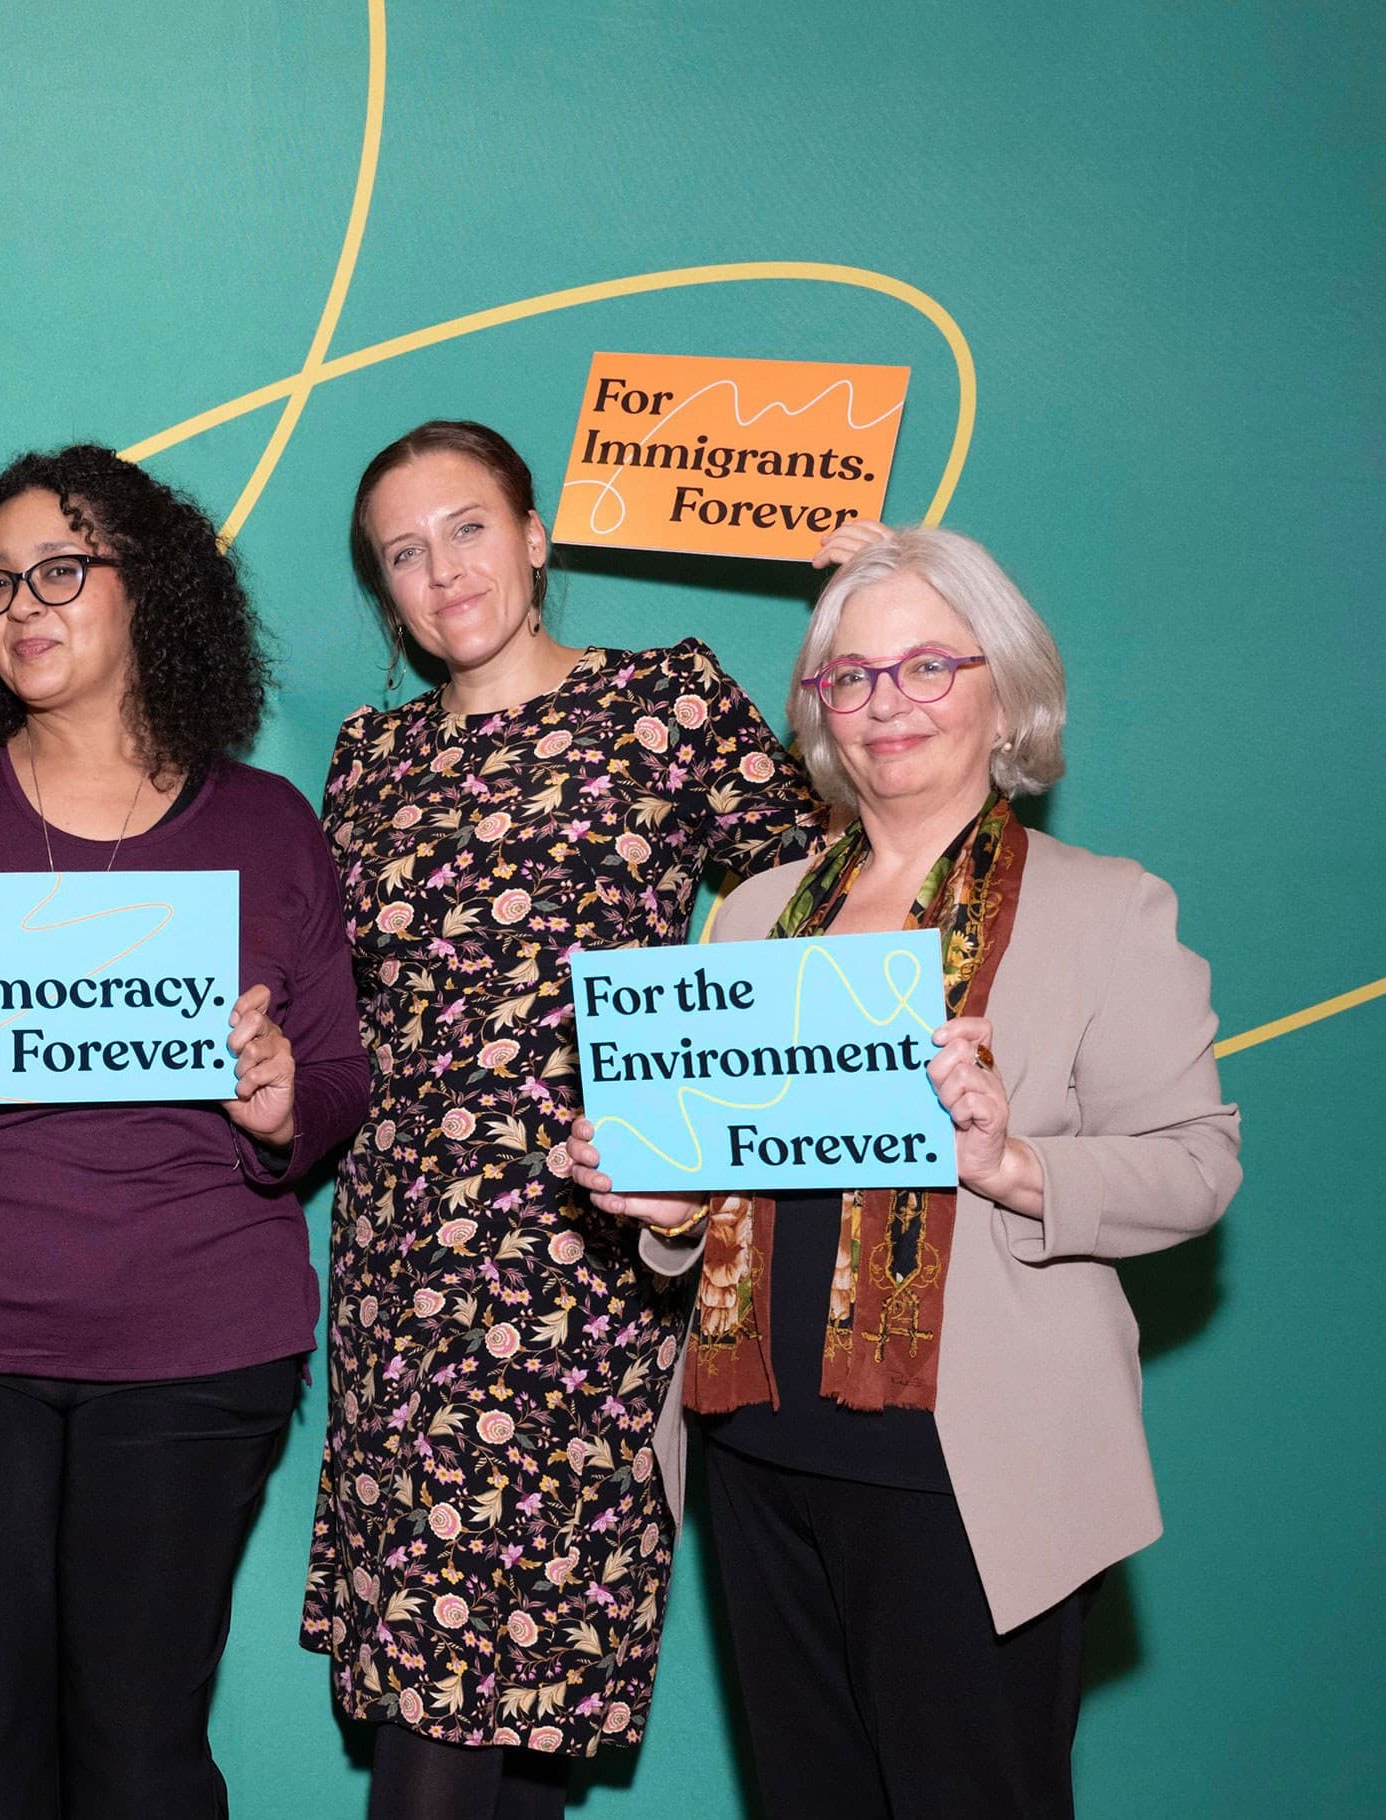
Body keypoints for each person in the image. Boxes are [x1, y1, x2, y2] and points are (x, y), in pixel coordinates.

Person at [571, 522, 1242, 1820]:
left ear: (1009, 692)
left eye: (930, 666)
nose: (889, 705)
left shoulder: (1108, 908)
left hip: (971, 1467)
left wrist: (1013, 1160)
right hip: (759, 1448)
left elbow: (1196, 1167)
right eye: (854, 677)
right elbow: (729, 1189)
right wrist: (663, 1208)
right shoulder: (757, 910)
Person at [0, 444, 369, 1820]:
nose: (24, 604)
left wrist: (283, 1107)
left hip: (193, 1346)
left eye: (61, 569)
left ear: (151, 590)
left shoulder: (265, 821)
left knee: (140, 1756)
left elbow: (340, 1073)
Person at [303, 420, 823, 1817]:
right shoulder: (368, 758)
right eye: (401, 554)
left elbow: (825, 909)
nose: (441, 570)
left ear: (537, 537)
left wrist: (715, 1112)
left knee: (530, 1696)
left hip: (591, 1261)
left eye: (467, 527)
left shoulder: (666, 702)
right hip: (404, 1277)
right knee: (451, 1692)